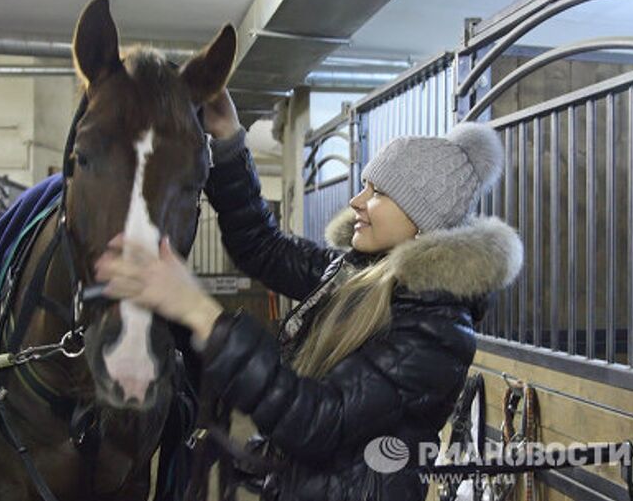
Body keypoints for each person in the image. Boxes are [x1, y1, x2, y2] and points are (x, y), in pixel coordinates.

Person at [94, 90, 524, 501]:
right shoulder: (354, 272)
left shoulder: (436, 327)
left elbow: (319, 420)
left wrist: (201, 313)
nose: (357, 200)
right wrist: (228, 140)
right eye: (364, 185)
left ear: (420, 219)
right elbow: (263, 246)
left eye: (378, 193)